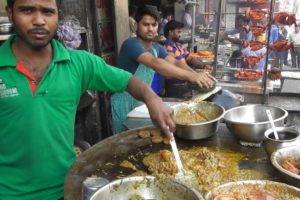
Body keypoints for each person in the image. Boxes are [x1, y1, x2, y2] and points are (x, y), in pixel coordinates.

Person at [0, 0, 176, 199]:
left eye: (48, 12)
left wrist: (152, 99)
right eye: (27, 10)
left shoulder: (79, 62)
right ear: (10, 12)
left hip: (67, 187)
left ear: (57, 15)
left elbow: (127, 80)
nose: (39, 20)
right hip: (8, 193)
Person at [112, 5, 215, 134]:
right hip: (124, 101)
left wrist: (196, 75)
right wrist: (191, 76)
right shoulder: (130, 44)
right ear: (136, 25)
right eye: (145, 24)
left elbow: (176, 63)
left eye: (154, 25)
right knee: (123, 142)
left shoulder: (157, 48)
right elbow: (156, 63)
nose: (150, 29)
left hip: (141, 101)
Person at [163, 20, 213, 97]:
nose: (180, 34)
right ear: (170, 32)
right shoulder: (167, 49)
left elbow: (190, 58)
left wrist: (203, 66)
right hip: (175, 87)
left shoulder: (178, 46)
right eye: (178, 32)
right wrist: (194, 74)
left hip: (185, 83)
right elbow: (173, 70)